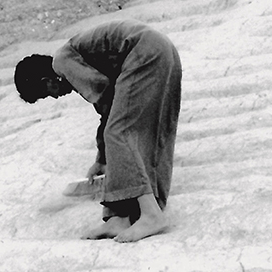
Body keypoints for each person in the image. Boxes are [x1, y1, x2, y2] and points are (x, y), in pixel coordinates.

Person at [14, 20, 181, 242]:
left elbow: (104, 94)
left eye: (47, 93)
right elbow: (112, 107)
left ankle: (151, 215)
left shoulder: (62, 61)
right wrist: (103, 158)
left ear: (47, 80)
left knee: (118, 133)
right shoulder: (75, 57)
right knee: (133, 132)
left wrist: (107, 150)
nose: (55, 97)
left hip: (145, 53)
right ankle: (118, 216)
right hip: (161, 51)